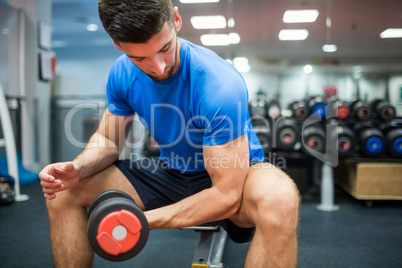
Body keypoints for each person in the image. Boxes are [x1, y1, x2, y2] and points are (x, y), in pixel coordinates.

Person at [39, 0, 300, 267]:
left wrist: (142, 221)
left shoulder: (219, 84)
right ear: (117, 44)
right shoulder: (122, 72)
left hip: (234, 175)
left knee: (280, 197)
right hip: (172, 171)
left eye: (165, 48)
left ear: (176, 19)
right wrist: (79, 167)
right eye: (139, 58)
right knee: (62, 191)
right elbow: (107, 140)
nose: (159, 67)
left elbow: (226, 195)